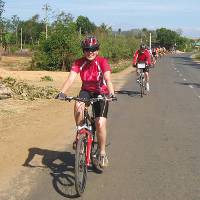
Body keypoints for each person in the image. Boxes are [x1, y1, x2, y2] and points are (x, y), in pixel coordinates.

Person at [56, 35, 116, 168]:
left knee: (100, 123)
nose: (90, 52)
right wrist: (62, 92)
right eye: (87, 49)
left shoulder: (102, 62)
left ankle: (102, 152)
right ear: (83, 51)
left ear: (97, 50)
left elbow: (108, 79)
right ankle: (80, 132)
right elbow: (71, 78)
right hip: (86, 91)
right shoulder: (78, 62)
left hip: (102, 92)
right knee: (78, 105)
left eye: (93, 49)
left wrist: (111, 93)